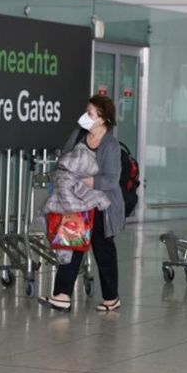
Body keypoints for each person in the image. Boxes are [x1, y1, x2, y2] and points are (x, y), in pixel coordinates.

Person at [38, 94, 124, 312]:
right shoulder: (79, 135)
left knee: (103, 250)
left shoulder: (111, 146)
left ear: (102, 118)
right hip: (77, 202)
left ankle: (111, 298)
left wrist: (88, 180)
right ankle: (62, 295)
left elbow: (112, 180)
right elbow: (64, 159)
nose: (85, 117)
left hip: (101, 206)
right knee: (73, 242)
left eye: (90, 113)